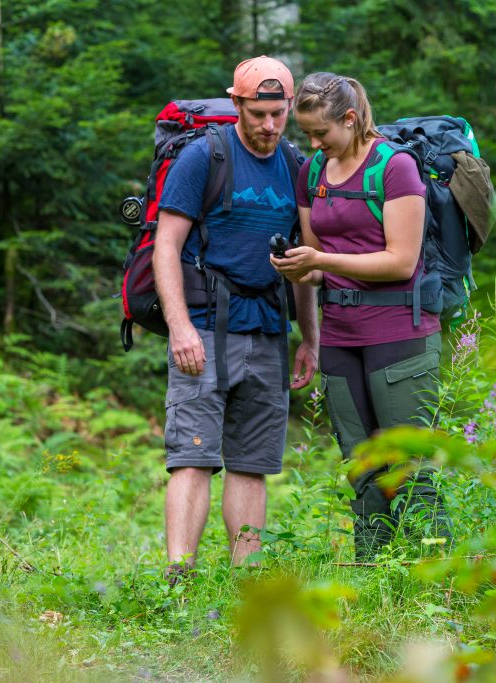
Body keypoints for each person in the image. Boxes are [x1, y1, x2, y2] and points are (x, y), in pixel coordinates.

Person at [273, 72, 450, 562]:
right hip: (340, 337)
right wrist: (297, 267)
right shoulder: (314, 172)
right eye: (306, 134)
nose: (313, 143)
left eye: (320, 133)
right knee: (361, 466)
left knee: (410, 464)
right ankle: (373, 575)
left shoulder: (395, 169)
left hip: (400, 333)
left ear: (350, 119)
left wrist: (320, 263)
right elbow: (315, 258)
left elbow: (400, 261)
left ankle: (437, 577)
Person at [153, 56, 319, 577]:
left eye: (279, 113)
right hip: (205, 328)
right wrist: (180, 326)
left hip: (269, 329)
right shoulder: (205, 158)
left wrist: (308, 339)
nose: (269, 125)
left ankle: (247, 582)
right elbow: (166, 247)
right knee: (193, 455)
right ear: (238, 104)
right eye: (259, 113)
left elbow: (302, 262)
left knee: (253, 464)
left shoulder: (295, 164)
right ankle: (178, 580)